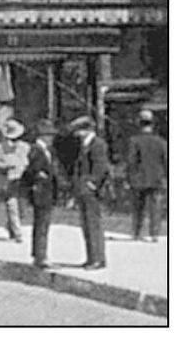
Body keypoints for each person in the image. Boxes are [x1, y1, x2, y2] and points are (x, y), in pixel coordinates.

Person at [69, 115, 110, 270]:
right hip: (83, 189)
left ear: (86, 130)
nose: (77, 134)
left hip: (91, 191)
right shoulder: (85, 145)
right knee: (86, 224)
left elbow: (100, 167)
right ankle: (91, 257)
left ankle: (98, 259)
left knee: (93, 224)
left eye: (79, 131)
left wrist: (92, 183)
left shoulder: (97, 144)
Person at [21, 119, 61, 269]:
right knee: (42, 225)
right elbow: (31, 171)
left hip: (48, 191)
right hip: (41, 192)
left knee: (43, 224)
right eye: (49, 135)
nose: (52, 138)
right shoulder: (36, 150)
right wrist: (39, 175)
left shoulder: (48, 151)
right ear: (43, 136)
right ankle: (40, 256)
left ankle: (39, 253)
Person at [125, 110, 167, 242]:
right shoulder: (161, 142)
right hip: (157, 178)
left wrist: (128, 178)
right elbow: (166, 161)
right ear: (152, 124)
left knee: (138, 208)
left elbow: (131, 161)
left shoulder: (134, 141)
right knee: (156, 208)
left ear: (139, 124)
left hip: (139, 179)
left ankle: (137, 233)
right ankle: (154, 234)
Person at [0, 118, 31, 243]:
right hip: (8, 180)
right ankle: (18, 234)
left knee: (22, 209)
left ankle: (10, 226)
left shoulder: (25, 147)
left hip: (22, 180)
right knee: (12, 206)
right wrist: (6, 165)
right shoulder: (0, 147)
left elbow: (29, 161)